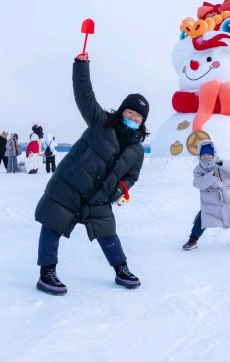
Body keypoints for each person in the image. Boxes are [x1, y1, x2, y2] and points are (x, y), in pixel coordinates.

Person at [34, 53, 149, 296]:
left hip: (100, 196)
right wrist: (81, 66)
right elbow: (84, 96)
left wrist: (117, 190)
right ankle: (47, 273)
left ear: (142, 122)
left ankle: (121, 269)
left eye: (138, 116)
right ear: (122, 111)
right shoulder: (101, 122)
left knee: (108, 232)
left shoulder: (137, 150)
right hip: (69, 186)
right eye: (130, 112)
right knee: (52, 226)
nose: (133, 118)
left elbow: (131, 177)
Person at [182, 139, 230, 250]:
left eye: (209, 154)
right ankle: (193, 240)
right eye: (203, 155)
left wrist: (222, 164)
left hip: (229, 199)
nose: (206, 157)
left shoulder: (221, 164)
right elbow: (198, 183)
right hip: (210, 202)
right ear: (199, 155)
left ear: (214, 154)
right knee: (201, 219)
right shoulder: (198, 170)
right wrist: (212, 176)